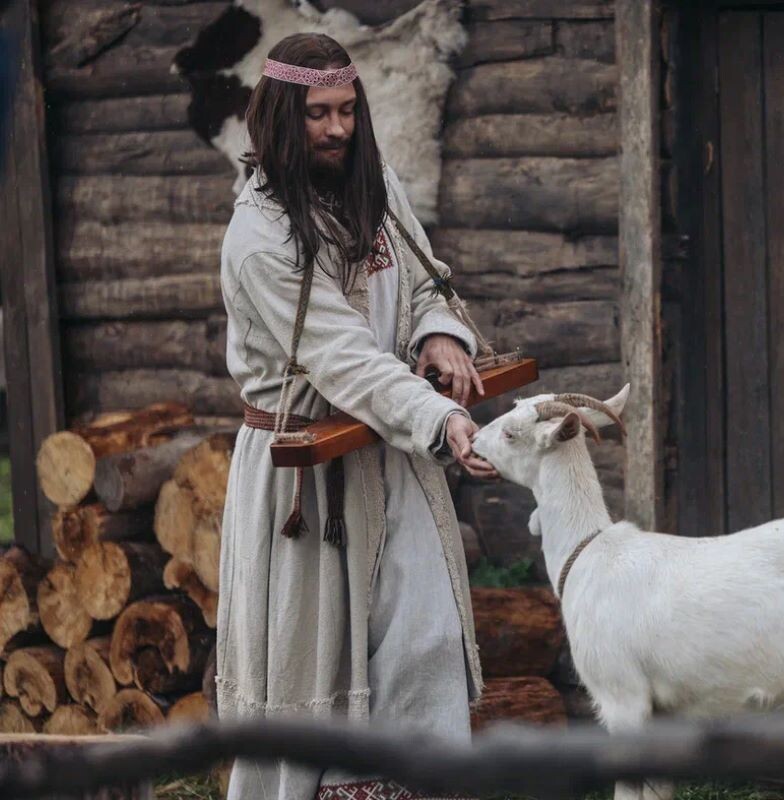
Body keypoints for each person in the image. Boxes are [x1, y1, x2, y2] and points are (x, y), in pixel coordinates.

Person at [217, 32, 497, 800]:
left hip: (392, 454)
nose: (337, 128)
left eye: (346, 110)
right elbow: (343, 359)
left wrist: (439, 333)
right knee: (315, 676)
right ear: (282, 115)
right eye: (318, 113)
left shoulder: (377, 190)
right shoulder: (259, 237)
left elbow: (426, 283)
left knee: (425, 643)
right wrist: (439, 417)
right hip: (306, 480)